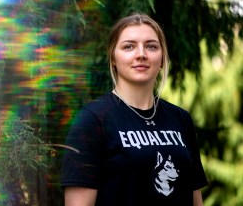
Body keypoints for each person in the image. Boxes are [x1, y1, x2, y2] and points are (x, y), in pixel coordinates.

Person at [61, 13, 208, 206]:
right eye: (129, 46)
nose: (141, 54)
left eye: (151, 46)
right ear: (113, 57)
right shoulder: (92, 120)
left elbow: (195, 199)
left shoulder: (181, 119)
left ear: (162, 58)